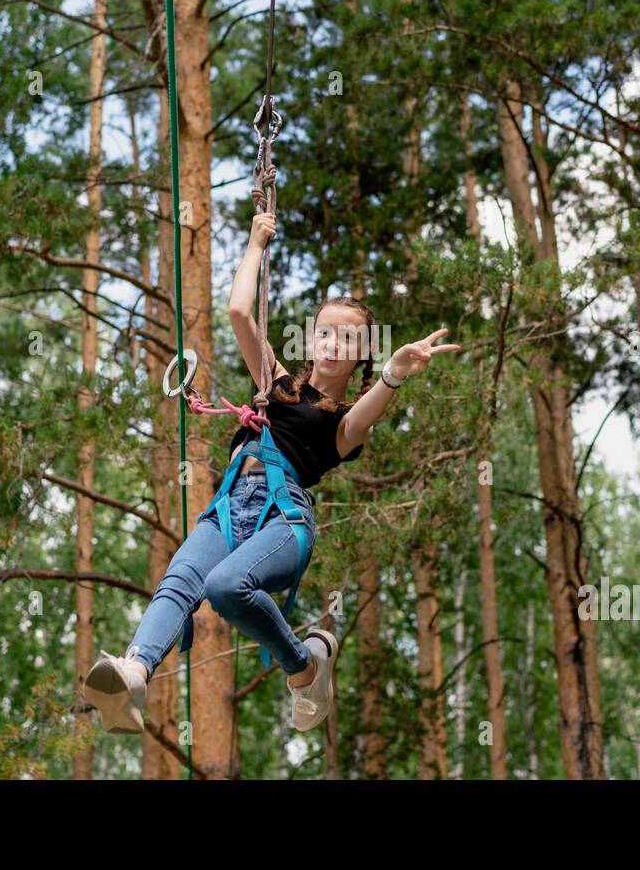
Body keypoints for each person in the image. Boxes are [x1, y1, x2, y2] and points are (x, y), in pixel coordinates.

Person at [83, 211, 460, 735]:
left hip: (284, 519)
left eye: (347, 340)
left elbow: (370, 409)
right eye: (324, 333)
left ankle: (305, 667)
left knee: (226, 586)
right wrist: (257, 241)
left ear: (361, 354)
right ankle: (135, 673)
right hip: (228, 507)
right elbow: (239, 311)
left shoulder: (344, 422)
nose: (332, 344)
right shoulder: (277, 385)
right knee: (178, 583)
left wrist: (395, 373)